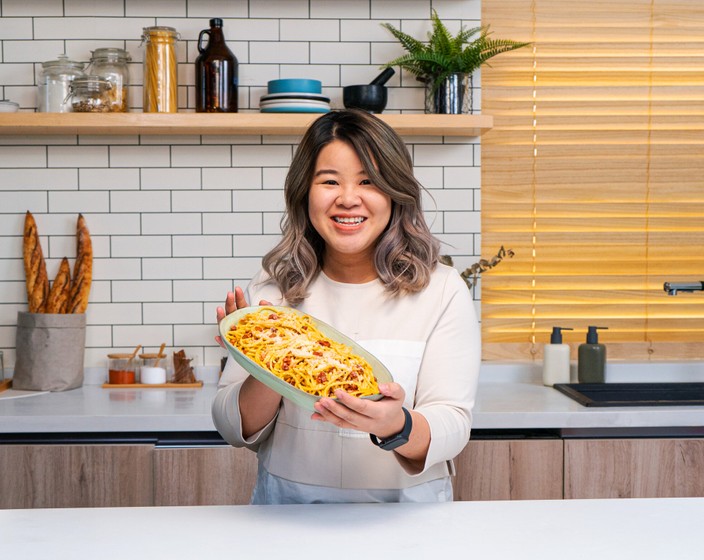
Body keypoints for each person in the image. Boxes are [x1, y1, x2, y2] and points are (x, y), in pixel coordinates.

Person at [212, 109, 480, 504]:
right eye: (330, 181)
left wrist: (397, 424)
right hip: (289, 517)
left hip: (407, 524)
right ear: (306, 192)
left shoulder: (441, 290)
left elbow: (453, 423)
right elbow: (231, 426)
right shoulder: (272, 295)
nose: (348, 198)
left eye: (369, 182)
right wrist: (266, 361)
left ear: (395, 193)